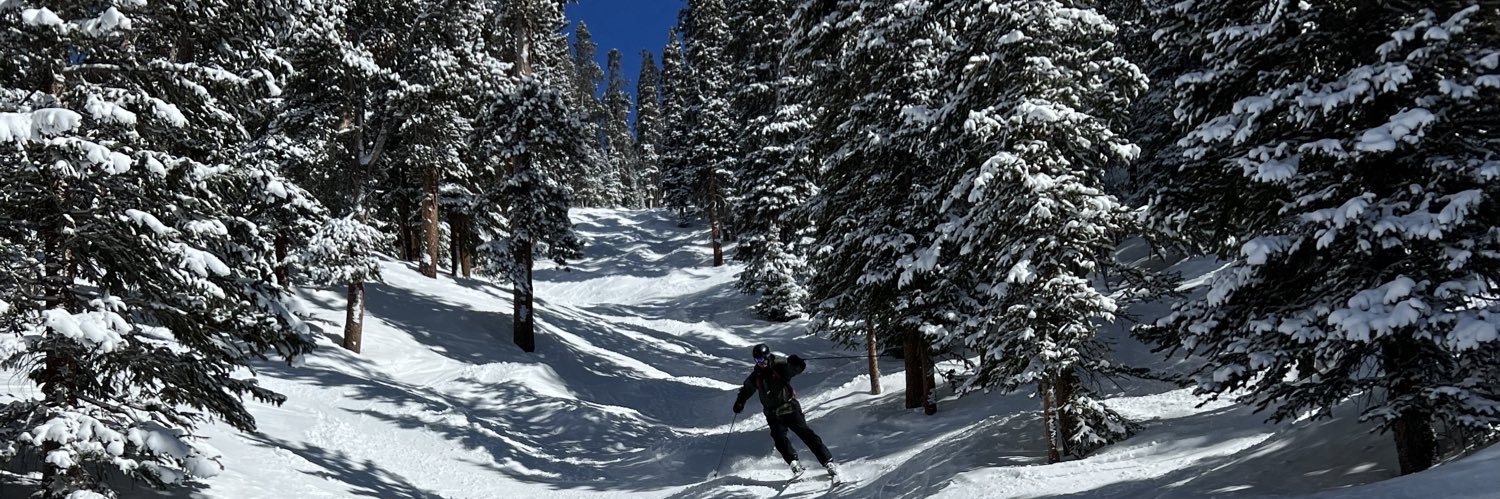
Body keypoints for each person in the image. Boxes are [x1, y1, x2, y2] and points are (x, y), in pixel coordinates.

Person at [732, 343, 840, 480]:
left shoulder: (779, 366)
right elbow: (747, 389)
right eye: (757, 361)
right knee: (779, 438)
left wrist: (797, 363)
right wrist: (740, 401)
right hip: (772, 413)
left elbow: (793, 369)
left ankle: (827, 461)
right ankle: (793, 462)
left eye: (763, 360)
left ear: (767, 356)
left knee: (806, 433)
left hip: (789, 408)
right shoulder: (756, 375)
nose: (761, 363)